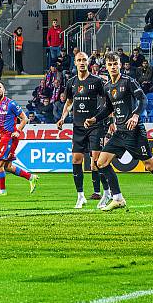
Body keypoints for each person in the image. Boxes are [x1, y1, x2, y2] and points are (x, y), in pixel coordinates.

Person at [84, 53, 153, 213]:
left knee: (150, 165)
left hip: (134, 132)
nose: (113, 67)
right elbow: (108, 108)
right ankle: (118, 198)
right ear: (106, 67)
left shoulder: (128, 81)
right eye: (110, 64)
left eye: (115, 63)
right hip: (120, 132)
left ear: (120, 65)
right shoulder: (108, 86)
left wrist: (136, 115)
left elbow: (143, 99)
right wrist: (94, 119)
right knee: (100, 162)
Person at [57, 51, 111, 209]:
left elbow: (107, 102)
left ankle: (106, 192)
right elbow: (68, 102)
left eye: (84, 60)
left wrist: (105, 119)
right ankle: (80, 196)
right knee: (76, 160)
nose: (81, 62)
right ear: (75, 62)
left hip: (95, 126)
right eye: (79, 60)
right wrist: (62, 117)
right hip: (78, 126)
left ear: (88, 62)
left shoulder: (96, 81)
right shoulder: (71, 82)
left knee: (97, 163)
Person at [0, 81, 38, 197]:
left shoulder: (11, 103)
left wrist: (18, 131)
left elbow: (25, 119)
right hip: (3, 137)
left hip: (9, 137)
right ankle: (31, 177)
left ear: (4, 89)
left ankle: (2, 190)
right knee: (7, 166)